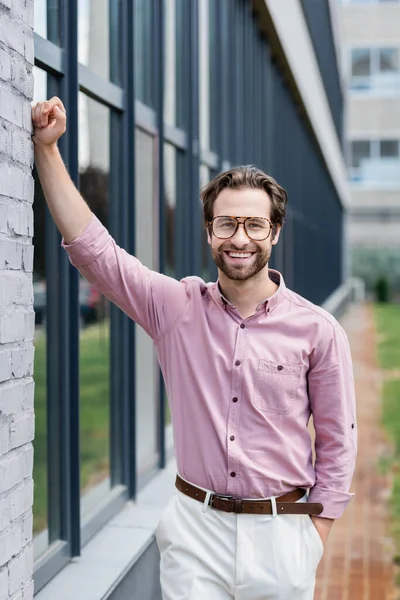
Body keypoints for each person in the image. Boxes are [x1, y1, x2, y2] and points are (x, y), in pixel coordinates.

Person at [32, 97, 357, 600]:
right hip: (195, 532)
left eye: (253, 224)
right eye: (226, 223)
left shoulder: (319, 331)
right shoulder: (176, 307)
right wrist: (48, 150)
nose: (240, 238)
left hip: (282, 536)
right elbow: (96, 252)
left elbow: (337, 445)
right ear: (210, 232)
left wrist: (313, 539)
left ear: (274, 231)